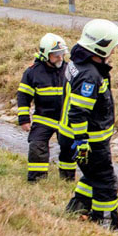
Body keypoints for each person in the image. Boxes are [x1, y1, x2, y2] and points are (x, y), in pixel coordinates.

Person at [59, 19, 118, 230]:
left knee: (91, 175)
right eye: (113, 47)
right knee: (106, 182)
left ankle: (77, 208)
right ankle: (105, 223)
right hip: (88, 141)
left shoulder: (79, 63)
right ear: (101, 47)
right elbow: (78, 113)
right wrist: (82, 142)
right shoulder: (90, 76)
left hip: (75, 137)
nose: (114, 51)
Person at [17, 33, 76, 182]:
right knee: (37, 147)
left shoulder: (70, 70)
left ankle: (67, 181)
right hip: (44, 118)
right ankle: (37, 181)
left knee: (69, 150)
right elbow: (24, 96)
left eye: (62, 54)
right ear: (45, 54)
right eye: (56, 55)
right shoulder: (33, 72)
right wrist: (24, 119)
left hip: (65, 119)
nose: (60, 57)